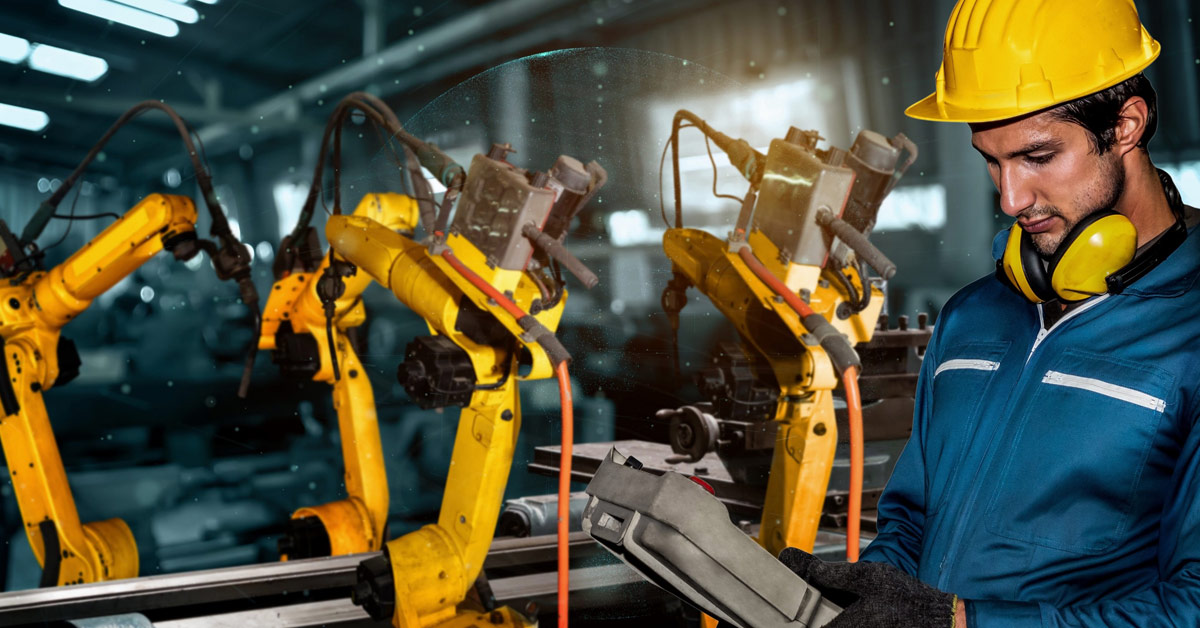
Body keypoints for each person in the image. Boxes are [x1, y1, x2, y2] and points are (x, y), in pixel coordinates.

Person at [777, 0, 1200, 626]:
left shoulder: (1188, 334)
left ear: (1127, 125)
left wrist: (966, 621)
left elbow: (1190, 605)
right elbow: (911, 518)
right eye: (991, 160)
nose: (1010, 198)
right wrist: (867, 595)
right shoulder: (970, 317)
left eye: (1037, 156)